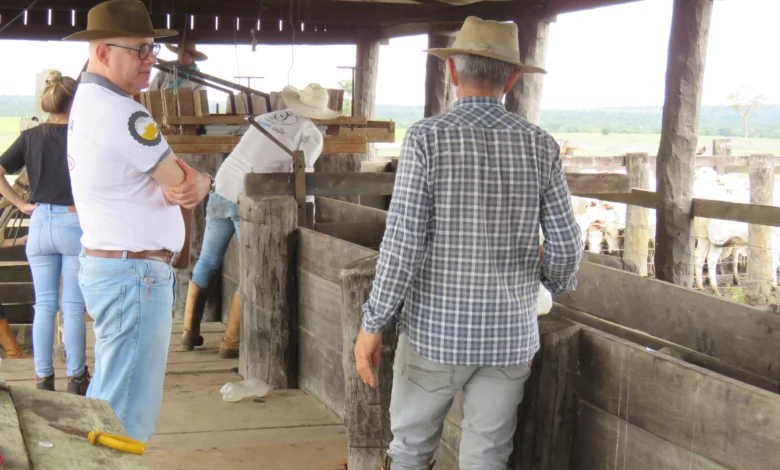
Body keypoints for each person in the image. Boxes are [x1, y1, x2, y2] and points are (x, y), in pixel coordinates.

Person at [352, 16, 584, 470]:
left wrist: (372, 323)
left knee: (411, 451)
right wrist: (550, 285)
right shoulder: (541, 145)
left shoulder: (425, 138)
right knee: (488, 455)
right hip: (510, 337)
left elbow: (403, 244)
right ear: (513, 79)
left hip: (435, 333)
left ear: (453, 73)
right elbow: (566, 245)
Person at [63, 0, 214, 442]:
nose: (151, 59)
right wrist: (203, 178)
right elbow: (181, 183)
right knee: (124, 419)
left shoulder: (90, 101)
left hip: (118, 266)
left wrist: (188, 179)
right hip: (135, 274)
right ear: (103, 52)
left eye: (152, 49)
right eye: (140, 50)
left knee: (111, 400)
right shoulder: (123, 112)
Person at [181, 83, 339, 358]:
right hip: (251, 198)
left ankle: (188, 332)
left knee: (207, 261)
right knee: (252, 267)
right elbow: (302, 177)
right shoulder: (311, 134)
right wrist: (308, 214)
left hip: (223, 188)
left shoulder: (268, 117)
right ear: (320, 114)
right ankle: (231, 343)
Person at [0, 71, 90, 394]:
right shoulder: (84, 136)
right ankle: (77, 377)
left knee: (44, 305)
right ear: (75, 100)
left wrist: (21, 205)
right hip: (74, 222)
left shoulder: (30, 136)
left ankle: (43, 378)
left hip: (38, 224)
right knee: (73, 306)